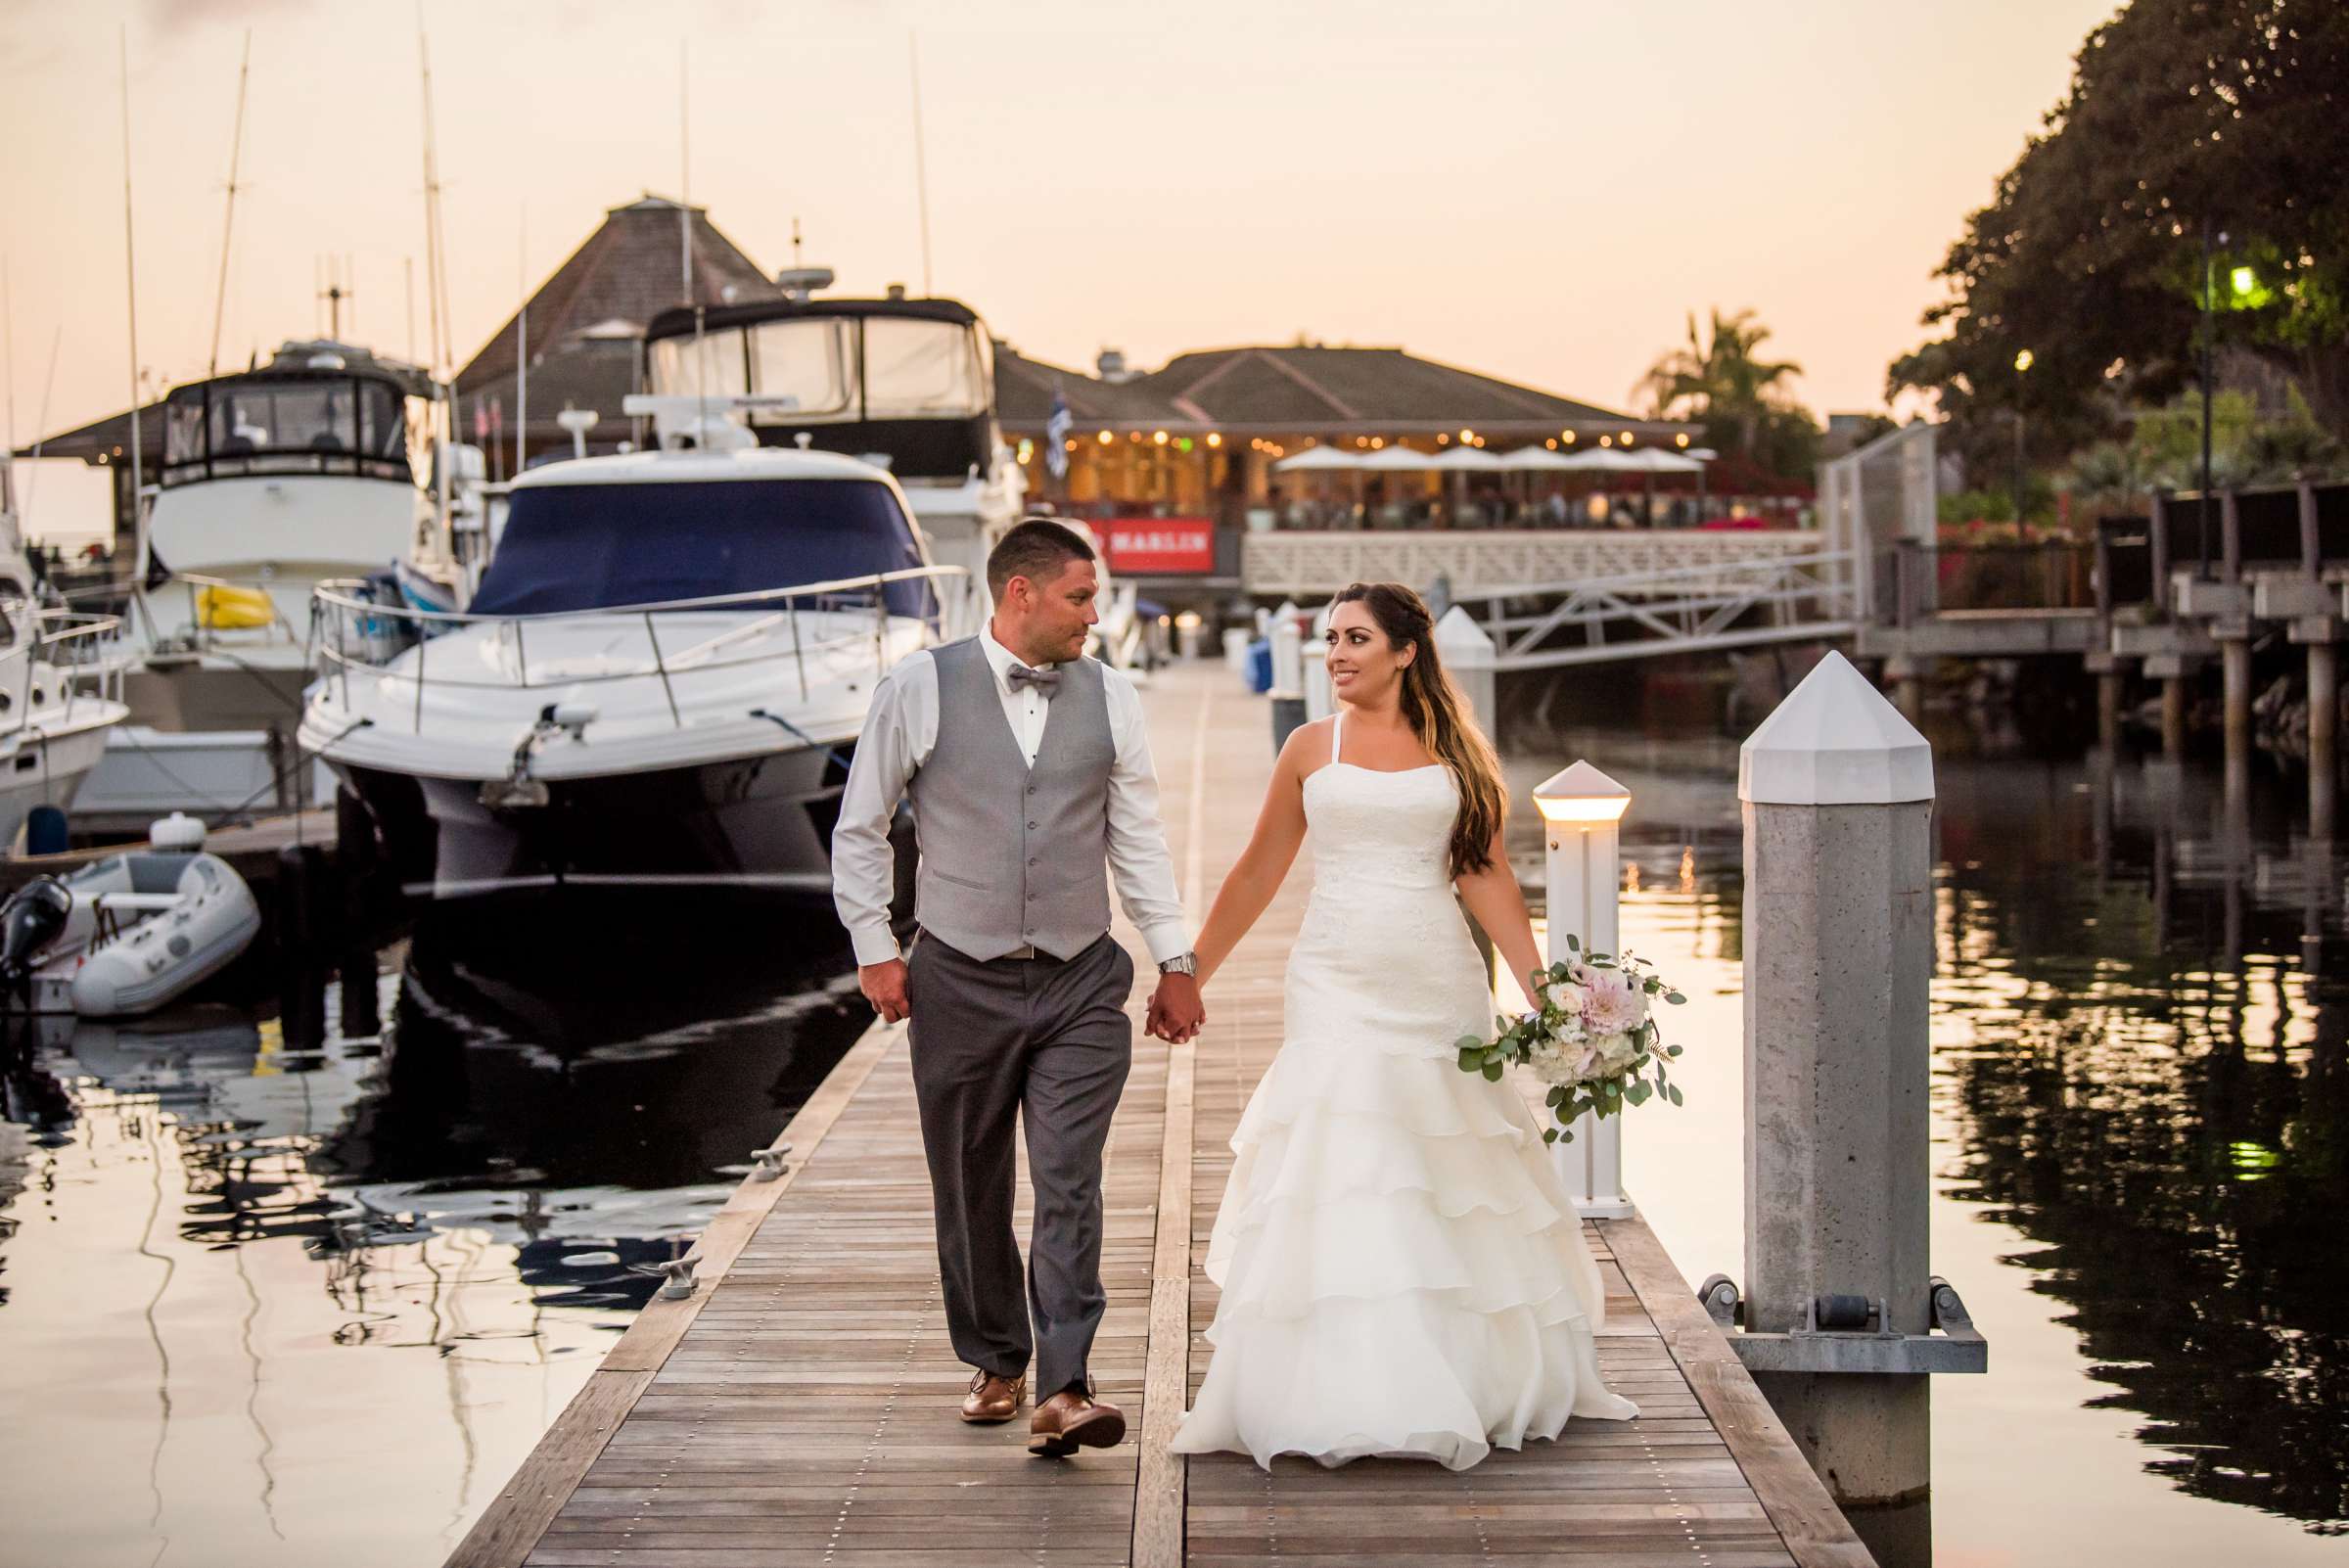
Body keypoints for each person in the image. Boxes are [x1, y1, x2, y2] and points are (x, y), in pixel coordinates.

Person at [1170, 580, 1637, 1471]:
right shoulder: (1312, 748)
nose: (1338, 654)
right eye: (1332, 640)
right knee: (1348, 1167)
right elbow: (1258, 873)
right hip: (1334, 983)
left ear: (1405, 651)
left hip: (1436, 987)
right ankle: (1339, 1383)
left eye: (1355, 639)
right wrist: (1189, 974)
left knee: (1442, 1169)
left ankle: (1462, 1374)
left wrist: (1547, 996)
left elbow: (1487, 875)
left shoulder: (1457, 753)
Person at [831, 518, 1207, 1458]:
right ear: (1021, 593)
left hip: (1083, 975)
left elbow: (1140, 836)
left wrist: (1175, 958)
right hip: (957, 973)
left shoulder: (1113, 696)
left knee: (1070, 1179)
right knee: (971, 1182)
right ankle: (997, 1359)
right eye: (1081, 596)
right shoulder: (920, 685)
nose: (1094, 613)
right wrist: (876, 946)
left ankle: (1067, 1385)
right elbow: (861, 825)